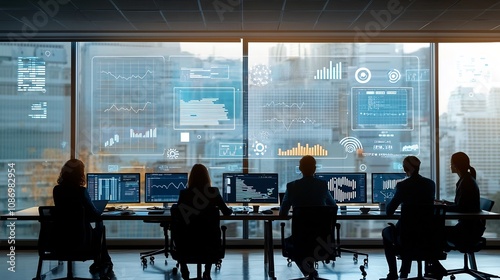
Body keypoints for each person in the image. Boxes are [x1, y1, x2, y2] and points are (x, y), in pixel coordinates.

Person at [279, 155, 337, 277]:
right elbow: (333, 207)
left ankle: (309, 271)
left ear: (300, 168)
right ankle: (310, 271)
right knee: (305, 244)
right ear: (315, 169)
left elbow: (282, 213)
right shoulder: (322, 185)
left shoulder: (291, 186)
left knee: (290, 244)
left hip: (300, 240)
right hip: (322, 239)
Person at [52, 159, 113, 275]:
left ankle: (104, 261)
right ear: (80, 174)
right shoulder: (81, 191)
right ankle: (103, 261)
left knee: (97, 225)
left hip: (61, 239)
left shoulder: (57, 190)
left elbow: (66, 211)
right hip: (81, 240)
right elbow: (94, 214)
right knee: (100, 225)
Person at [380, 156, 436, 280]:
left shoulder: (403, 186)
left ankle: (393, 273)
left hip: (406, 236)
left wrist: (391, 200)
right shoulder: (430, 184)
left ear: (406, 168)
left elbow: (389, 212)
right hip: (427, 235)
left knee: (386, 232)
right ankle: (409, 271)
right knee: (410, 233)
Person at [175, 163, 233, 280]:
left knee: (180, 232)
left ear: (191, 178)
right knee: (209, 237)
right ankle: (207, 271)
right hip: (209, 244)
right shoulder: (213, 192)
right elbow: (226, 212)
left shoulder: (184, 193)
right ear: (207, 177)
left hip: (187, 244)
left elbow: (180, 217)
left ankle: (184, 268)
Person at [445, 152, 485, 245]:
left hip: (467, 230)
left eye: (451, 163)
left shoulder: (466, 182)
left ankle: (433, 258)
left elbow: (462, 208)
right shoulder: (467, 179)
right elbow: (463, 205)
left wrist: (443, 208)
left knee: (435, 232)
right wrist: (448, 204)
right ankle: (433, 258)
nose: (450, 165)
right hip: (470, 227)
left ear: (455, 165)